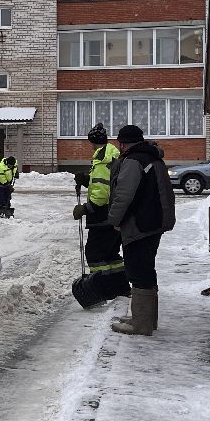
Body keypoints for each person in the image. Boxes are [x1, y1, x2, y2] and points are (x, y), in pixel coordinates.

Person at [104, 124, 176, 335]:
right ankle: (144, 317)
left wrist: (114, 220)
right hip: (153, 222)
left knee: (138, 270)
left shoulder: (134, 161)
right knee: (146, 268)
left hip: (140, 223)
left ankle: (141, 324)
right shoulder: (153, 158)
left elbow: (124, 195)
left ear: (123, 143)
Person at [73, 124, 126, 293]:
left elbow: (102, 193)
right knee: (111, 255)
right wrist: (87, 179)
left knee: (95, 254)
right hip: (113, 216)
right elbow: (105, 184)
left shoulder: (103, 160)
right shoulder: (112, 156)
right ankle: (121, 288)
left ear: (93, 142)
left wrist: (85, 209)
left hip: (102, 217)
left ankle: (102, 290)